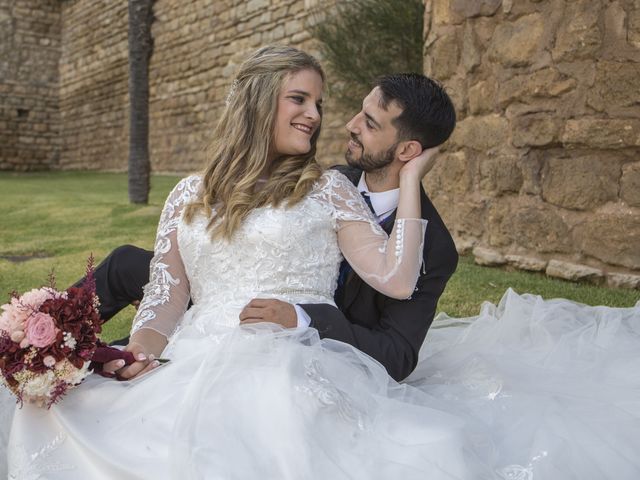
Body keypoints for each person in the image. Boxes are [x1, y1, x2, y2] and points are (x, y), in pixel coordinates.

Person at [2, 46, 468, 479]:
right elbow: (169, 295)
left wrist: (409, 181)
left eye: (317, 104)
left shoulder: (328, 188)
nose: (322, 117)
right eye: (301, 99)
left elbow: (397, 280)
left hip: (288, 360)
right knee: (80, 413)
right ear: (259, 102)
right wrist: (141, 352)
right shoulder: (188, 192)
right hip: (194, 347)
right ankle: (42, 333)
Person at [84, 73, 458, 383]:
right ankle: (47, 330)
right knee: (126, 264)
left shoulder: (431, 247)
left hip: (302, 349)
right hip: (214, 317)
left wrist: (303, 317)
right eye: (359, 113)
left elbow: (396, 355)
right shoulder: (332, 179)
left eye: (370, 123)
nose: (348, 125)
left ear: (408, 151)